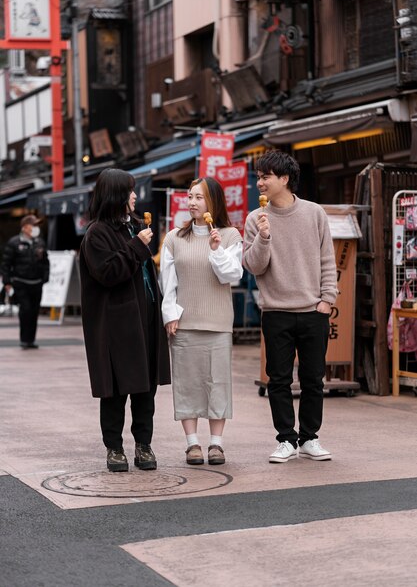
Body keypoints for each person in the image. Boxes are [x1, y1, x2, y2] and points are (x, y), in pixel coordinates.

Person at [243, 151, 338, 463]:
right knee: (278, 379)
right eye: (259, 176)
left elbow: (327, 259)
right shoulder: (255, 219)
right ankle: (286, 439)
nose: (260, 182)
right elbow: (254, 267)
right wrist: (265, 237)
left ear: (284, 179)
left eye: (266, 176)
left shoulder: (314, 214)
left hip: (313, 310)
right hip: (275, 311)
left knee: (313, 379)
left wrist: (327, 300)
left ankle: (310, 437)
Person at [79, 168, 171, 473]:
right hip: (116, 326)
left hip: (144, 319)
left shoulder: (133, 226)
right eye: (130, 190)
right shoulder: (98, 233)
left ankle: (144, 445)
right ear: (116, 195)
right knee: (117, 390)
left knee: (146, 389)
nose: (135, 196)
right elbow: (107, 273)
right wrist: (137, 248)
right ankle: (114, 448)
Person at [160, 177, 243, 466]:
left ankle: (217, 444)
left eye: (199, 197)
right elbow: (168, 283)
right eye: (190, 196)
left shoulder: (231, 235)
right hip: (185, 322)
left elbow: (231, 276)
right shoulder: (173, 237)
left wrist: (217, 249)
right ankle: (192, 443)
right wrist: (170, 315)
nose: (192, 202)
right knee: (187, 383)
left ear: (213, 203)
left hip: (218, 322)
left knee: (217, 382)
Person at [1, 215, 49, 349]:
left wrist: (45, 277)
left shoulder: (40, 242)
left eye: (36, 225)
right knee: (25, 310)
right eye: (33, 225)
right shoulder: (14, 242)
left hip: (37, 282)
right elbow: (6, 264)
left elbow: (46, 261)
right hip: (21, 282)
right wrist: (7, 282)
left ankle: (31, 340)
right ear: (25, 227)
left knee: (34, 311)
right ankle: (24, 339)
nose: (35, 228)